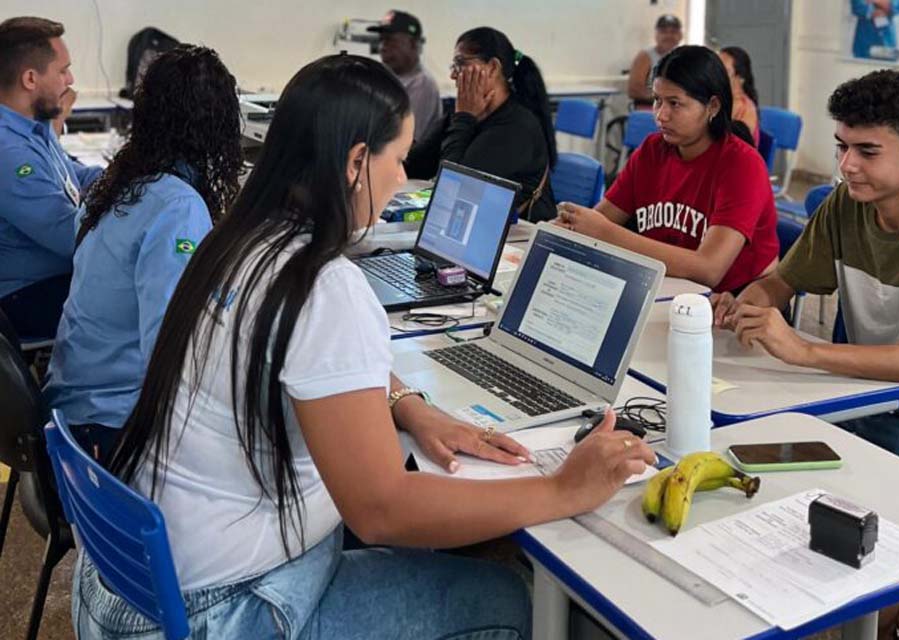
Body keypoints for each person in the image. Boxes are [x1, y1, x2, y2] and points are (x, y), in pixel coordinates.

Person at [71, 54, 657, 639]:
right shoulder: (323, 286)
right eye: (398, 159)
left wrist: (404, 402)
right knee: (509, 600)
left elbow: (309, 370)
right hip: (215, 612)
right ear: (356, 162)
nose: (403, 178)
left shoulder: (239, 239)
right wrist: (562, 488)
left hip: (132, 583)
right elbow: (381, 510)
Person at [713, 67, 899, 640]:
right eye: (842, 147)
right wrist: (748, 304)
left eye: (867, 151)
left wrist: (804, 351)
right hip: (869, 402)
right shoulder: (846, 207)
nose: (846, 166)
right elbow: (779, 285)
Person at [43, 45, 243, 460]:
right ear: (218, 126)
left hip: (73, 407)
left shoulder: (117, 182)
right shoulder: (177, 206)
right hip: (110, 427)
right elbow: (170, 350)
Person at [555, 46, 778, 293]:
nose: (661, 115)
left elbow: (709, 269)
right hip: (667, 286)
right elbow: (599, 220)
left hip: (733, 302)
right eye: (657, 100)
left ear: (712, 106)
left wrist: (606, 233)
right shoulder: (652, 149)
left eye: (675, 103)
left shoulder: (742, 165)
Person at [0, 17, 103, 340]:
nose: (70, 80)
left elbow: (75, 178)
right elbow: (71, 238)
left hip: (55, 279)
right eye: (62, 70)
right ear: (30, 78)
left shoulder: (33, 125)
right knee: (134, 306)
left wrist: (133, 175)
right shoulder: (9, 151)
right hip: (24, 297)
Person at [405, 27, 557, 223]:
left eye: (460, 64)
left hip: (517, 241)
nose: (453, 75)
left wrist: (463, 117)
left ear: (493, 68)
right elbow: (413, 168)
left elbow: (452, 190)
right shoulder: (469, 114)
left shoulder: (517, 128)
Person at [367, 10, 441, 142]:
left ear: (413, 44)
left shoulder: (422, 85)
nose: (383, 47)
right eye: (382, 40)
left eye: (390, 41)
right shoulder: (384, 77)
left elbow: (404, 141)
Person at [627, 14, 683, 108]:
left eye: (673, 32)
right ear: (656, 35)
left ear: (681, 35)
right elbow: (633, 90)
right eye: (664, 32)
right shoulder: (645, 57)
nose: (669, 36)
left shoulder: (686, 56)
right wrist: (666, 98)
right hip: (651, 108)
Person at [719, 46, 759, 145]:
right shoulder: (722, 99)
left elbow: (734, 148)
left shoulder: (745, 108)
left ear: (740, 77)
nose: (716, 74)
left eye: (724, 71)